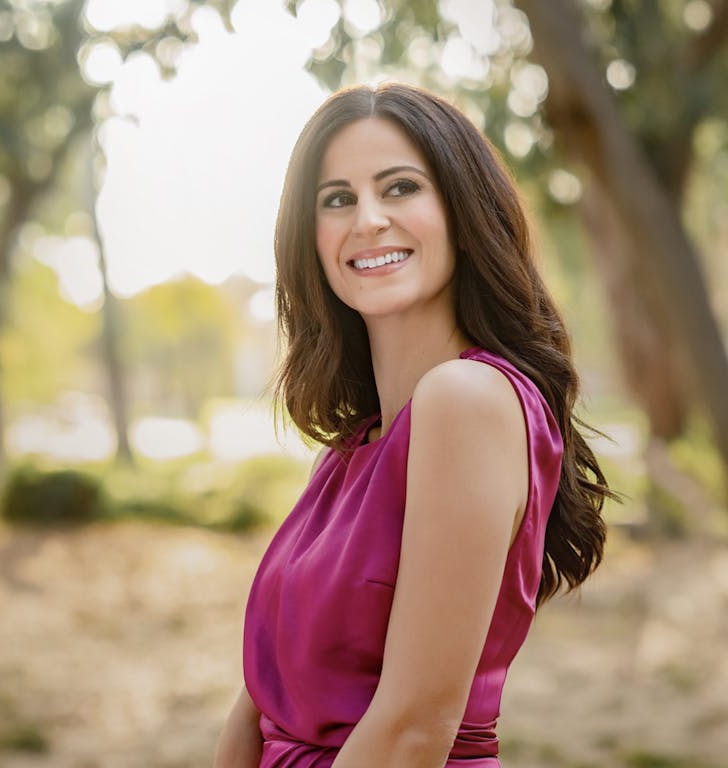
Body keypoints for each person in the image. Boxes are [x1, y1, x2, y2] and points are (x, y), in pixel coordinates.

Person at [213, 82, 612, 768]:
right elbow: (258, 705)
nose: (367, 219)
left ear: (462, 209)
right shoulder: (344, 456)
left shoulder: (468, 401)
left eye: (399, 188)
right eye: (337, 199)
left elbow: (411, 730)